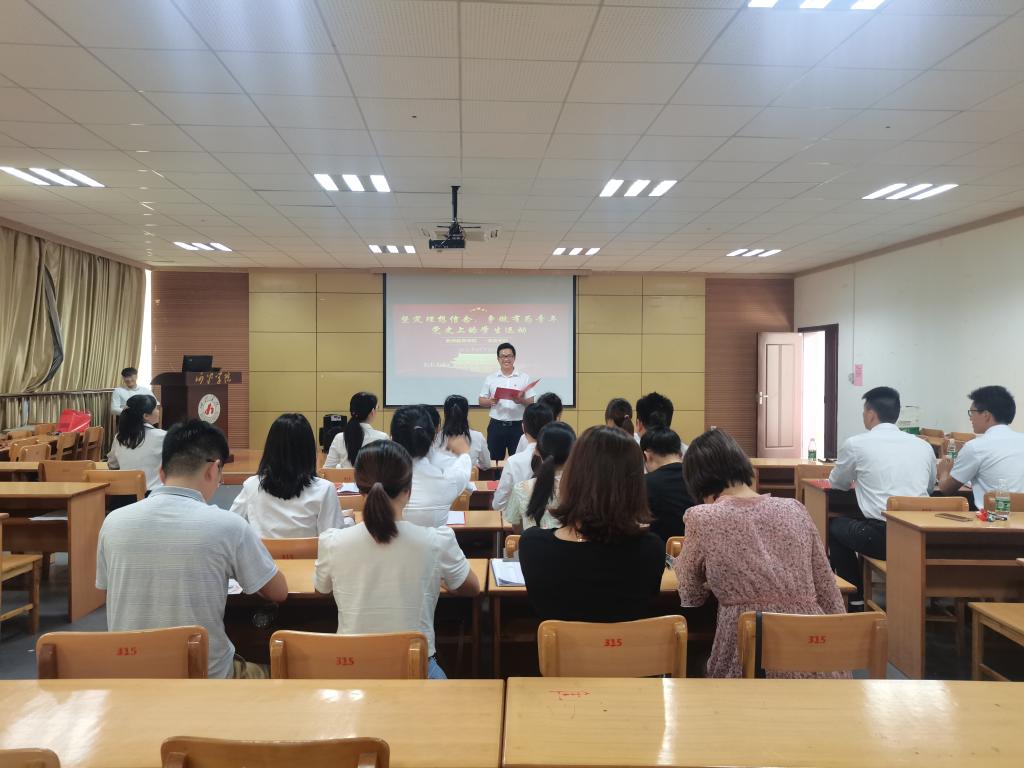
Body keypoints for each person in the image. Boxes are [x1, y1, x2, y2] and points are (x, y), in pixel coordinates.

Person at [96, 419, 287, 679]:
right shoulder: (228, 526)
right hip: (204, 680)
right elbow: (278, 592)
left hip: (129, 681)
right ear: (213, 469)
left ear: (161, 472)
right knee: (286, 672)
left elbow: (109, 590)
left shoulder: (113, 522)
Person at [674, 428, 846, 678]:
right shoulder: (795, 508)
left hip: (747, 654)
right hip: (813, 654)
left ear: (697, 481)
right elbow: (828, 591)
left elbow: (690, 595)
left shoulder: (702, 517)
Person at [314, 440, 481, 679]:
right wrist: (438, 580)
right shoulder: (436, 541)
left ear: (360, 489)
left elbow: (321, 589)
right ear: (408, 490)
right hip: (416, 669)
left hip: (351, 670)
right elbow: (472, 587)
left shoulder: (332, 542)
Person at [519, 426, 664, 622]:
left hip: (559, 643)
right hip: (629, 643)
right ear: (636, 485)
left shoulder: (533, 546)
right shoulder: (651, 549)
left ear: (572, 476)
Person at [827, 386, 936, 603]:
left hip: (882, 538)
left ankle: (855, 598)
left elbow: (837, 483)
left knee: (835, 527)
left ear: (870, 414)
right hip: (921, 536)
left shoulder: (856, 444)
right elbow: (930, 487)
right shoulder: (923, 446)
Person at [231, 413, 346, 539]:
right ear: (308, 449)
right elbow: (333, 540)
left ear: (270, 448)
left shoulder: (252, 485)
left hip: (263, 552)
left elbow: (229, 526)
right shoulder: (325, 489)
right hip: (310, 553)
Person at [937, 386, 1024, 509]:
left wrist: (944, 471)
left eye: (972, 412)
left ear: (986, 415)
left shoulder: (976, 447)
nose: (970, 418)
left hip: (992, 518)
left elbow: (946, 490)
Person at [391, 405, 471, 528]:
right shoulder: (449, 480)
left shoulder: (378, 477)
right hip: (435, 540)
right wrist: (464, 454)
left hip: (391, 539)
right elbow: (463, 471)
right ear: (433, 435)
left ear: (392, 437)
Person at [504, 421, 576, 532]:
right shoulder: (584, 489)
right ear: (574, 452)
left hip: (532, 542)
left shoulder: (521, 489)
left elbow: (517, 528)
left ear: (537, 450)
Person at [493, 403, 553, 512]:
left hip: (519, 518)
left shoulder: (513, 462)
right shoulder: (561, 458)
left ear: (523, 427)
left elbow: (498, 504)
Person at [479, 343, 534, 460]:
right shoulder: (491, 378)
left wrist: (520, 400)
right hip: (496, 426)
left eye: (509, 356)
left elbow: (531, 402)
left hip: (518, 427)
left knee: (519, 460)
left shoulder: (524, 377)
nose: (506, 359)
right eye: (503, 356)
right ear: (498, 359)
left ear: (514, 358)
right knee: (494, 460)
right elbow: (481, 401)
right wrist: (490, 401)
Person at [641, 427, 694, 541]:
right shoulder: (698, 479)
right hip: (698, 548)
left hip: (661, 550)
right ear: (680, 453)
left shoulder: (645, 483)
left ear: (647, 456)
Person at [107, 394, 165, 491]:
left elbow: (112, 465)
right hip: (152, 495)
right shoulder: (162, 436)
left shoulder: (120, 437)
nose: (158, 411)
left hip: (124, 495)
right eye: (155, 408)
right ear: (146, 416)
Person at [324, 392, 388, 469]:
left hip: (345, 477)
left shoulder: (339, 437)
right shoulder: (382, 438)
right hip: (373, 477)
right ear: (373, 411)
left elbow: (327, 470)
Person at [435, 394, 491, 472]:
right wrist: (473, 464)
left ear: (445, 413)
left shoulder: (436, 437)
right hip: (468, 478)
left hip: (442, 479)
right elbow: (486, 465)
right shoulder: (478, 437)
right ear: (466, 413)